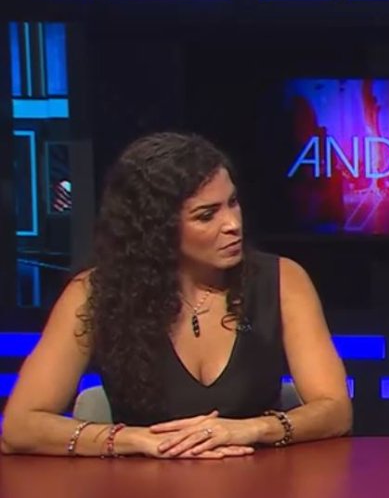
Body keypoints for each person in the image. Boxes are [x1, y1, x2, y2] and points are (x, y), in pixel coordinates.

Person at [1, 132, 353, 458]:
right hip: (138, 492)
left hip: (260, 486)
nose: (233, 224)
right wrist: (133, 439)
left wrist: (253, 429)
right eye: (206, 215)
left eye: (232, 202)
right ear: (157, 228)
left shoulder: (283, 280)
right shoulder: (94, 293)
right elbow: (19, 426)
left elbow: (336, 410)